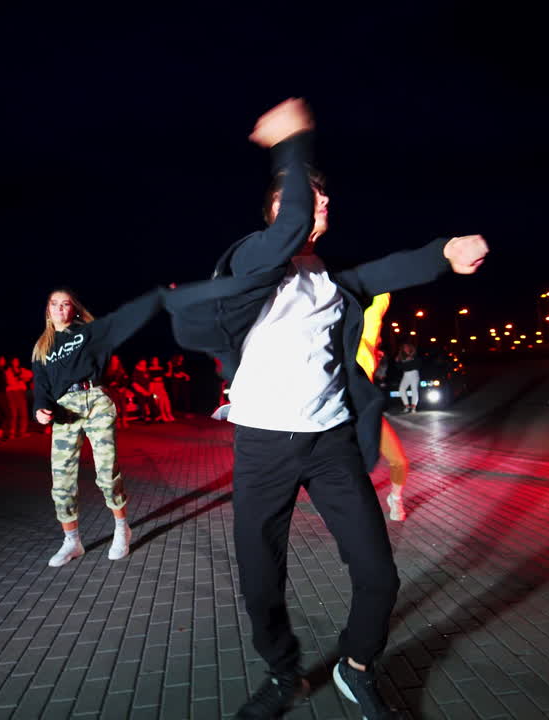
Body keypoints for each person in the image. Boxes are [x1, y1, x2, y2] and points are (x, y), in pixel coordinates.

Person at [163, 98, 489, 719]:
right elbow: (287, 229)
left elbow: (383, 271)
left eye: (325, 198)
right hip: (263, 446)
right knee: (261, 581)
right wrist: (292, 145)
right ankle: (283, 674)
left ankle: (356, 665)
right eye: (311, 198)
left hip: (330, 442)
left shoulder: (330, 281)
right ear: (277, 213)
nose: (324, 204)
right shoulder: (250, 262)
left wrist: (443, 252)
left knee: (378, 573)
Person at [31, 287, 162, 567]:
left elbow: (122, 319)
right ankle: (72, 542)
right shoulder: (41, 347)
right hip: (64, 410)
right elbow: (40, 386)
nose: (60, 308)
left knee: (106, 472)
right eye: (54, 304)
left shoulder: (88, 333)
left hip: (95, 402)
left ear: (74, 309)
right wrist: (39, 409)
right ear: (48, 310)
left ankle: (122, 529)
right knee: (62, 481)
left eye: (66, 304)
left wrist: (158, 298)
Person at [357, 293, 410, 521]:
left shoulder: (365, 346)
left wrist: (383, 285)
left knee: (399, 460)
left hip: (367, 414)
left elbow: (376, 312)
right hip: (337, 418)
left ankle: (395, 499)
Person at [4, 356, 32, 439]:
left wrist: (21, 378)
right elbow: (10, 382)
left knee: (23, 412)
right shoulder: (8, 371)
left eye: (17, 361)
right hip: (11, 393)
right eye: (14, 361)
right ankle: (12, 432)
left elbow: (30, 374)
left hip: (20, 392)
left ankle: (22, 431)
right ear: (11, 362)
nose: (16, 362)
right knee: (13, 412)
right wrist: (21, 379)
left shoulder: (21, 370)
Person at [102, 354, 132, 429]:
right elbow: (105, 381)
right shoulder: (108, 371)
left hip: (121, 390)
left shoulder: (121, 370)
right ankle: (117, 421)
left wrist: (122, 387)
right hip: (112, 390)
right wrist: (111, 384)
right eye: (113, 360)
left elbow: (126, 380)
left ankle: (124, 421)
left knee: (123, 405)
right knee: (116, 406)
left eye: (116, 359)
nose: (114, 361)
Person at [147, 356, 176, 422]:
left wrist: (170, 367)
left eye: (156, 360)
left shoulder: (161, 368)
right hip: (153, 385)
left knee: (166, 399)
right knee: (160, 400)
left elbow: (168, 375)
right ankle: (162, 414)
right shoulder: (149, 369)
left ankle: (169, 414)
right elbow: (148, 379)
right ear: (151, 361)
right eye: (154, 360)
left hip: (161, 385)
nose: (155, 362)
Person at [128, 359, 157, 423]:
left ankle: (153, 415)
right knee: (141, 400)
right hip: (139, 390)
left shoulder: (146, 370)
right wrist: (143, 391)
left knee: (151, 399)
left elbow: (150, 381)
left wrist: (150, 390)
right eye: (142, 362)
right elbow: (134, 383)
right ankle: (144, 416)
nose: (144, 363)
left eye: (145, 362)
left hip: (148, 390)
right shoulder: (135, 371)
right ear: (139, 363)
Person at [395, 343, 421, 412]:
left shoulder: (415, 355)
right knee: (401, 389)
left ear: (410, 347)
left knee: (414, 389)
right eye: (404, 347)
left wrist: (409, 362)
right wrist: (397, 362)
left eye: (406, 347)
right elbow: (399, 367)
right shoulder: (402, 357)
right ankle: (407, 406)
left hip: (414, 373)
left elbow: (418, 364)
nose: (405, 348)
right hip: (406, 374)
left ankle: (413, 407)